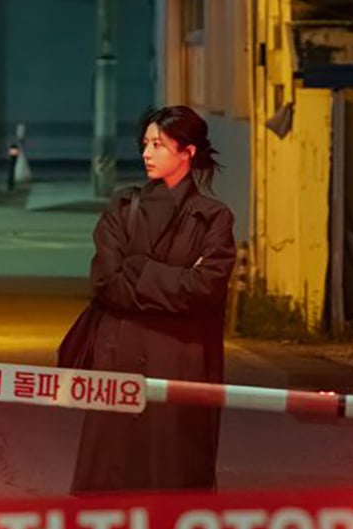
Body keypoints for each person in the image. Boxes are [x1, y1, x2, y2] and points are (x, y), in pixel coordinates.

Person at [61, 105, 236, 493]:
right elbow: (106, 280)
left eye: (158, 144)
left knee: (172, 469)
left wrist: (139, 268)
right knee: (110, 471)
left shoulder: (212, 217)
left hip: (180, 362)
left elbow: (204, 289)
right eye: (145, 144)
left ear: (188, 151)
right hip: (121, 357)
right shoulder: (123, 207)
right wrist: (172, 284)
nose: (146, 153)